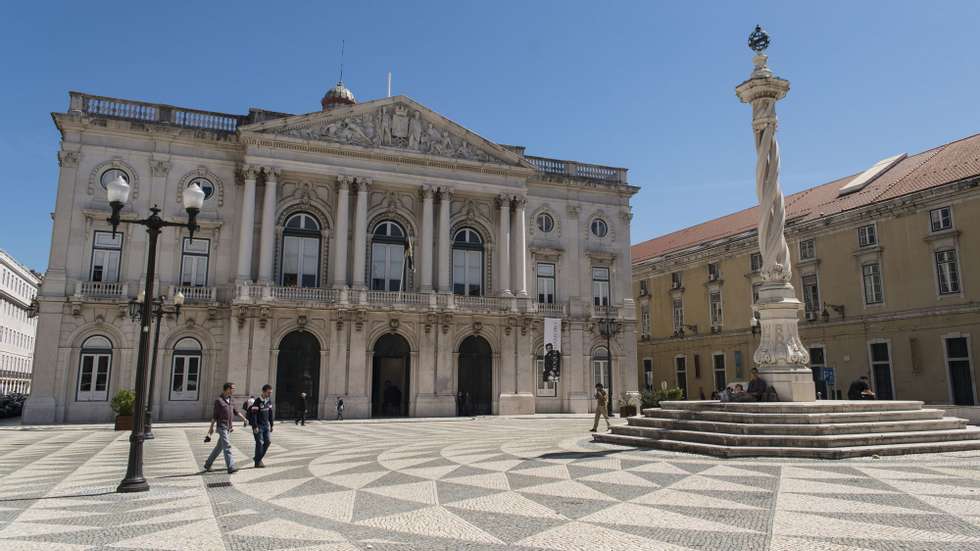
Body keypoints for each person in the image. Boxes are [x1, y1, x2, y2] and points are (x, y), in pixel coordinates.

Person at [204, 382, 248, 474]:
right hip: (222, 426)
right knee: (227, 446)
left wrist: (244, 419)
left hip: (228, 427)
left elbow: (236, 411)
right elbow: (215, 416)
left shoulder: (231, 400)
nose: (234, 390)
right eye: (233, 388)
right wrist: (210, 429)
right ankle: (231, 466)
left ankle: (208, 464)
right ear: (227, 389)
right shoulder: (219, 401)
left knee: (219, 448)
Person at [248, 384, 274, 468]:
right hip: (258, 426)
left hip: (266, 425)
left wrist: (271, 424)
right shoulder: (257, 401)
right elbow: (254, 415)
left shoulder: (269, 400)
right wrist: (255, 426)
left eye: (271, 393)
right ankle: (258, 462)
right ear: (263, 392)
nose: (270, 394)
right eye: (268, 392)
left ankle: (257, 458)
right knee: (259, 443)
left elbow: (270, 413)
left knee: (268, 442)